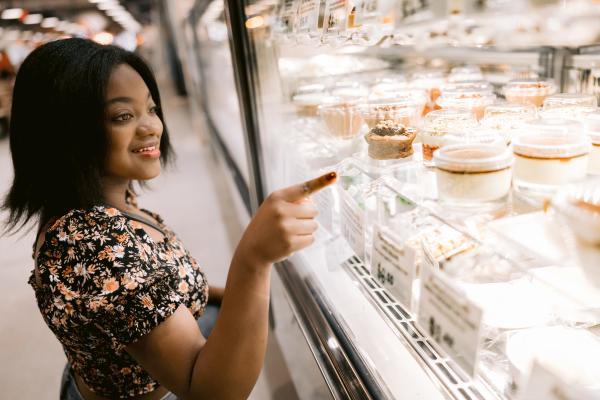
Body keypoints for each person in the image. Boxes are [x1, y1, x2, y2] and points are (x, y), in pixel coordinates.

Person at [2, 38, 335, 399]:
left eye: (151, 108)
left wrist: (232, 297)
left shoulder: (98, 205)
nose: (151, 127)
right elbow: (210, 392)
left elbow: (153, 293)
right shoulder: (94, 244)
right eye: (122, 116)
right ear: (66, 131)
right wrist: (253, 259)